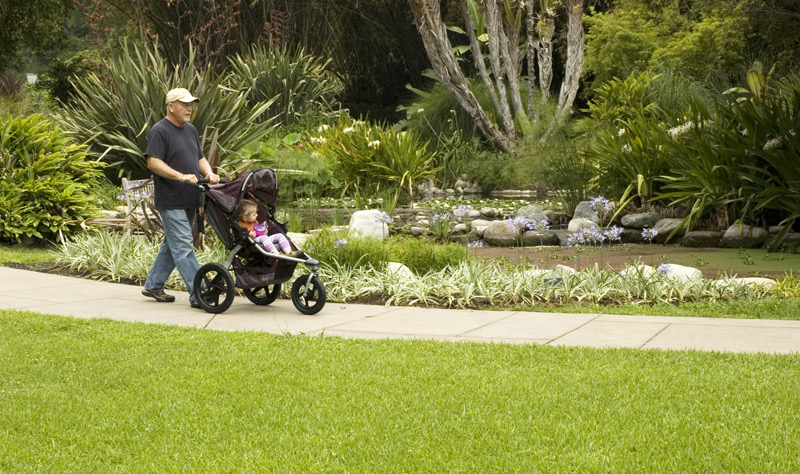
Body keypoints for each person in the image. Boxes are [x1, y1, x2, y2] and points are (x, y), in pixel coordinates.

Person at [141, 87, 220, 308]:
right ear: (171, 106)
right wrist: (180, 176)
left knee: (172, 244)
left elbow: (200, 157)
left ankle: (153, 285)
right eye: (184, 104)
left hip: (191, 198)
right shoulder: (160, 131)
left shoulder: (191, 129)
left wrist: (209, 173)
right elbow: (153, 162)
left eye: (191, 104)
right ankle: (200, 293)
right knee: (184, 245)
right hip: (171, 199)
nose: (189, 108)